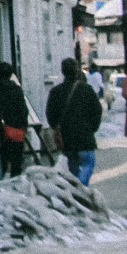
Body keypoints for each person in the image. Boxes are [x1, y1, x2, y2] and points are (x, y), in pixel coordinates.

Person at [47, 56, 103, 185]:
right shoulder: (86, 89)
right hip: (85, 134)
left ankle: (75, 188)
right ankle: (81, 187)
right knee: (88, 163)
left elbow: (50, 114)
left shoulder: (55, 91)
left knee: (72, 167)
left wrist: (56, 127)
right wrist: (92, 128)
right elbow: (97, 110)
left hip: (67, 136)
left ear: (63, 71)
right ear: (77, 70)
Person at [0, 61, 29, 180]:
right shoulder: (16, 89)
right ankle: (15, 182)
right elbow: (23, 110)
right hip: (15, 129)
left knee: (0, 159)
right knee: (16, 162)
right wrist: (23, 126)